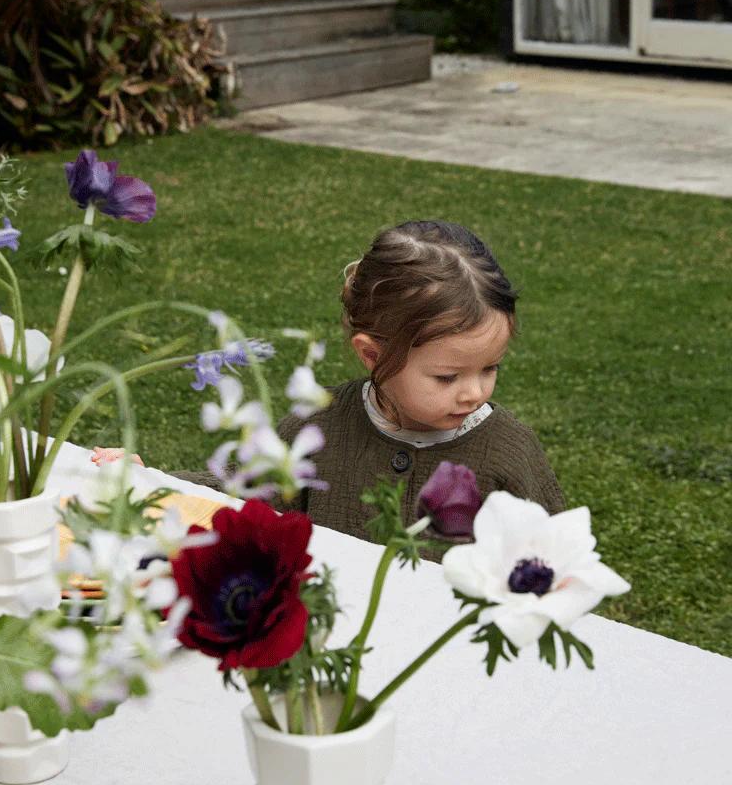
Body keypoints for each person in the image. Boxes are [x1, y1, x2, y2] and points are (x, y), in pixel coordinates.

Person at [167, 219, 564, 544]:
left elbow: (556, 557)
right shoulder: (320, 425)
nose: (475, 392)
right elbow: (242, 491)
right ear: (372, 355)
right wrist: (150, 482)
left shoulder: (508, 451)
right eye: (447, 377)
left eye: (490, 368)